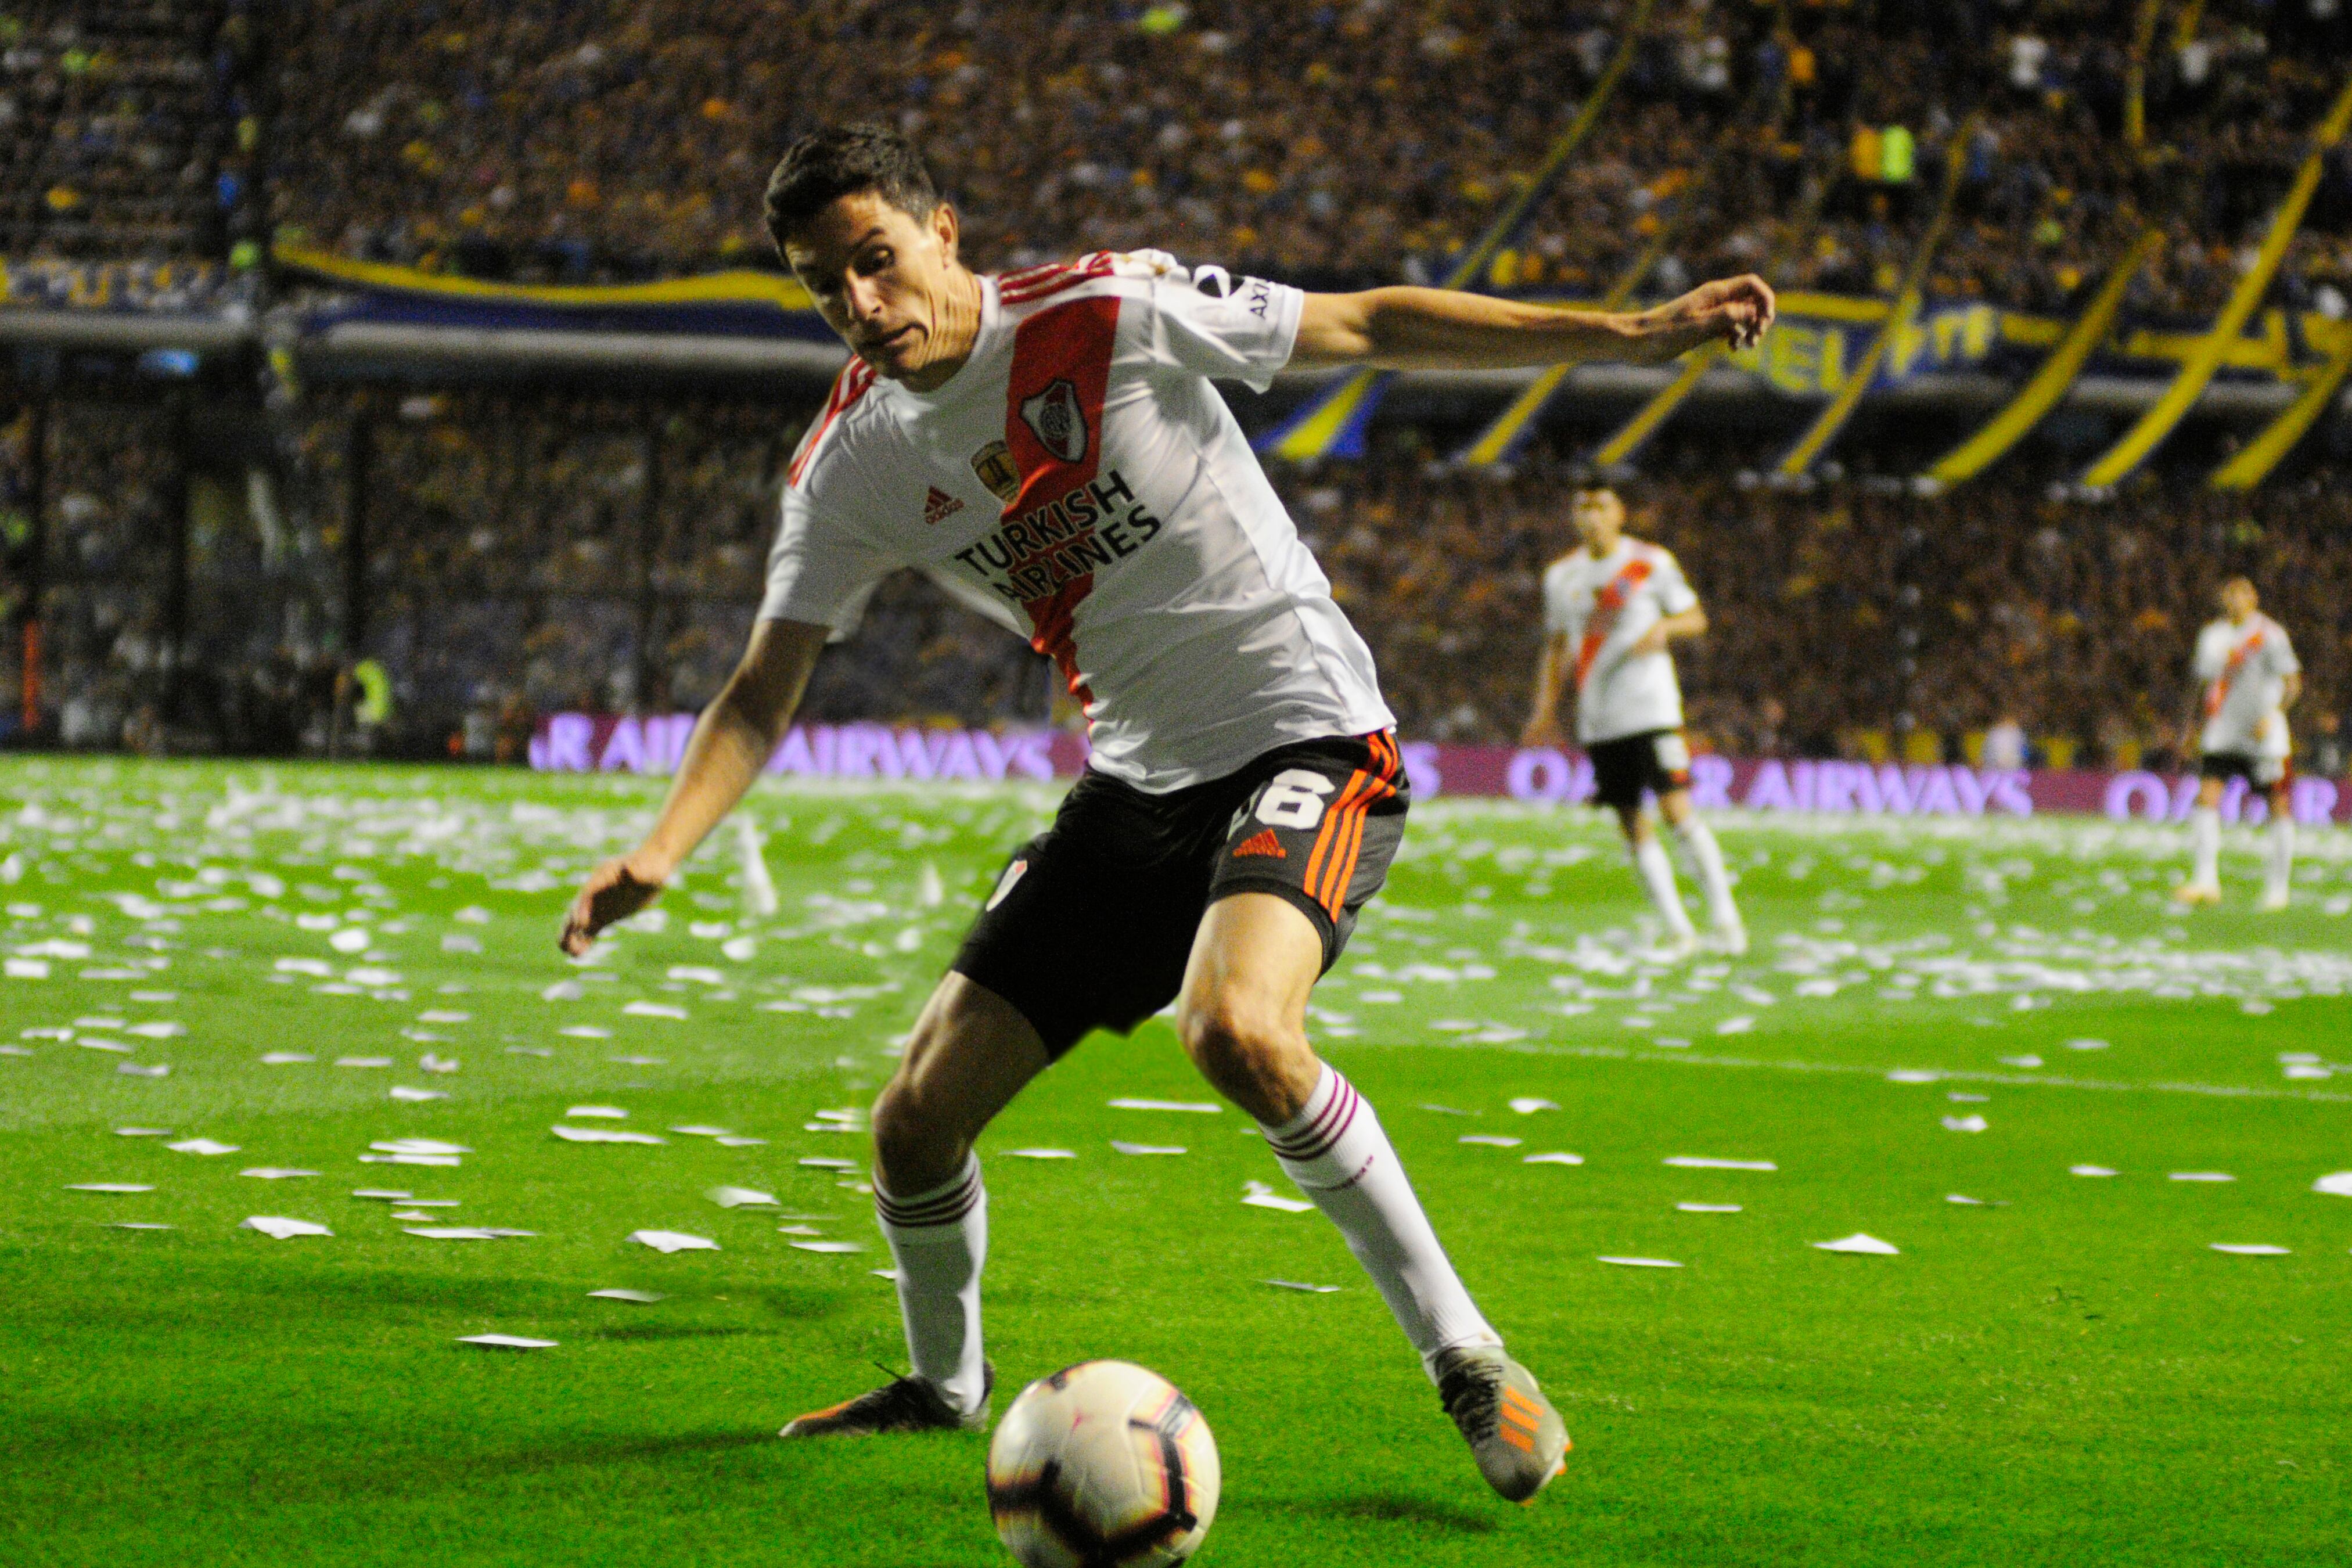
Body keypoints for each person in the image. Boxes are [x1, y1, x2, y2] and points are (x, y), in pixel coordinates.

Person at [558, 123, 1774, 1503]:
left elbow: (1366, 321)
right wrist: (660, 851)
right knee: (911, 1121)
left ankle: (1470, 1357)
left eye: (874, 260)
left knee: (1238, 1026)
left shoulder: (1104, 309)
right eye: (822, 284)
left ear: (941, 231)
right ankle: (943, 1383)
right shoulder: (850, 465)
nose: (858, 302)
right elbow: (760, 686)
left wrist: (1625, 329)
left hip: (1304, 736)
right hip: (1134, 786)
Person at [1520, 485, 1745, 959]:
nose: (1592, 516)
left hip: (1653, 709)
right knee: (1629, 820)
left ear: (1620, 512)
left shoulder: (1651, 562)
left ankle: (1726, 921)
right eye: (1583, 507)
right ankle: (1679, 932)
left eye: (1601, 506)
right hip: (1600, 718)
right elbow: (1558, 646)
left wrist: (1665, 627)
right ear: (1573, 514)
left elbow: (1695, 617)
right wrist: (1544, 709)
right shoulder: (1562, 576)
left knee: (1676, 810)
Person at [2174, 576, 2301, 910]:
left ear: (2254, 598)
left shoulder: (2271, 635)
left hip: (2263, 738)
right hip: (2222, 733)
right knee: (2206, 799)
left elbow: (2292, 684)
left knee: (2278, 806)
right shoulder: (2212, 636)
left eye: (2241, 593)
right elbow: (2203, 686)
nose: (2234, 599)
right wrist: (2190, 728)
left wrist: (2273, 715)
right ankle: (2206, 881)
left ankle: (2278, 889)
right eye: (2228, 593)